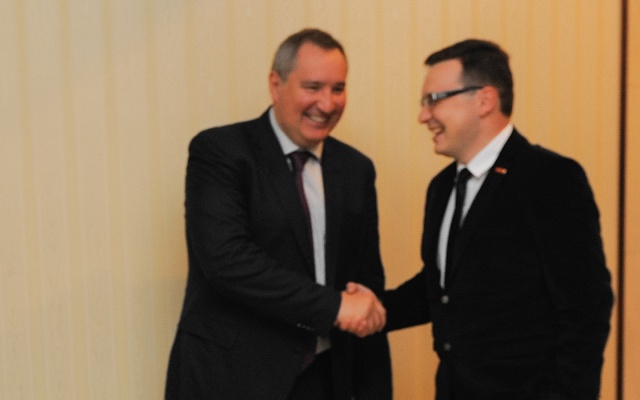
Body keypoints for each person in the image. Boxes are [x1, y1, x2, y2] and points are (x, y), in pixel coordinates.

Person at [378, 39, 614, 399]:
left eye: (434, 99)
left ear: (485, 100)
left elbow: (586, 306)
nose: (423, 116)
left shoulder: (549, 178)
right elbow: (442, 289)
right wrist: (367, 309)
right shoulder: (441, 187)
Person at [165, 28, 391, 400]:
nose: (327, 103)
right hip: (232, 379)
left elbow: (366, 281)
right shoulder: (221, 152)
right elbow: (227, 260)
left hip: (324, 380)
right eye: (313, 87)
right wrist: (334, 306)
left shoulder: (356, 169)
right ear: (276, 84)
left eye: (338, 88)